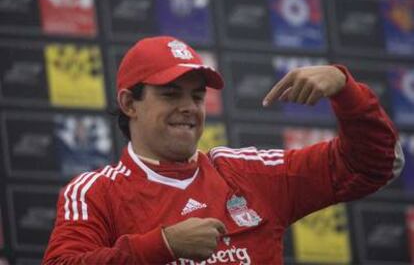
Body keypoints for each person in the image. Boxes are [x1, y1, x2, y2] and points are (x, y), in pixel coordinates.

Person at [43, 36, 405, 265]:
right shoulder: (96, 192)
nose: (189, 107)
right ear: (129, 103)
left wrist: (345, 90)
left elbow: (376, 164)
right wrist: (162, 245)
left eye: (197, 96)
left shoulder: (247, 173)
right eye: (171, 94)